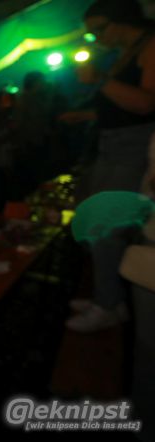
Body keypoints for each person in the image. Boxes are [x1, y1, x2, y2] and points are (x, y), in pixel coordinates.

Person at [60, 0, 155, 332]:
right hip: (112, 145)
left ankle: (108, 305)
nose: (95, 38)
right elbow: (123, 108)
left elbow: (146, 103)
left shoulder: (150, 45)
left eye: (98, 30)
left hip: (132, 148)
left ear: (120, 20)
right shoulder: (126, 52)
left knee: (106, 226)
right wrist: (87, 114)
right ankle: (110, 297)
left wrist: (100, 79)